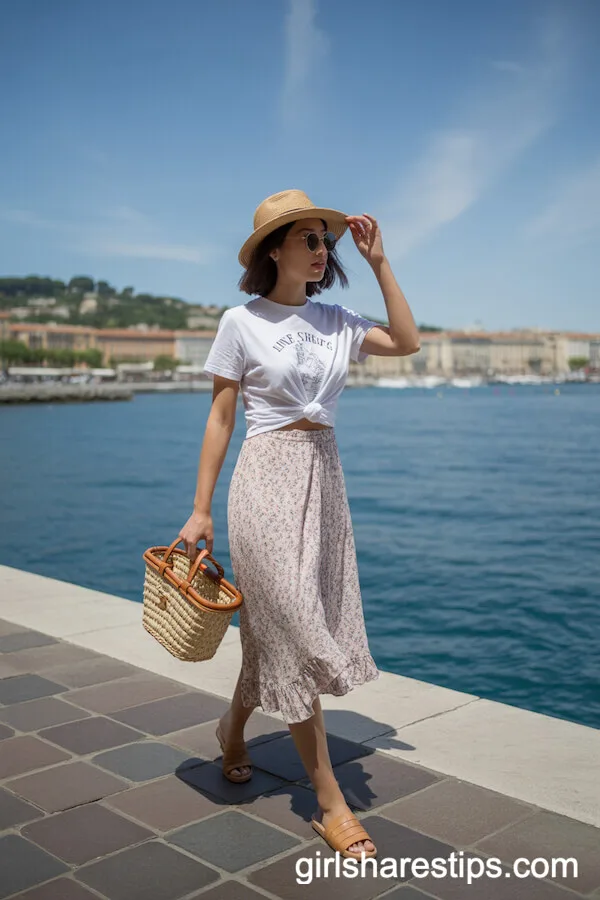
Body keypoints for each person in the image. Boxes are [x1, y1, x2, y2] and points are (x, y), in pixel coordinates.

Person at [178, 189, 420, 860]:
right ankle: (330, 803)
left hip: (323, 481)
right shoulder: (240, 322)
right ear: (274, 250)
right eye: (308, 239)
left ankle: (231, 730)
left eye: (325, 241)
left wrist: (379, 263)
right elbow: (221, 417)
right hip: (264, 482)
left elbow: (407, 341)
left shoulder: (338, 320)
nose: (320, 251)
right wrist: (200, 508)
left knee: (276, 632)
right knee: (296, 625)